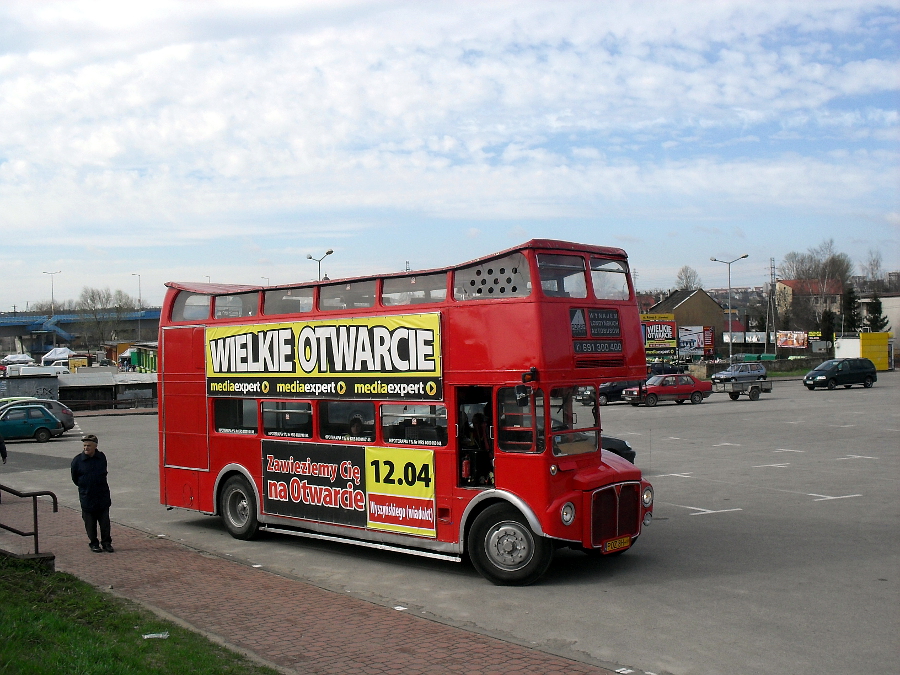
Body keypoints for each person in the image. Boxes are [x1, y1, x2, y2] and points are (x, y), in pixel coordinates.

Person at [70, 434, 114, 553]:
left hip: (102, 496)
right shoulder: (77, 460)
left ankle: (106, 543)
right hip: (87, 497)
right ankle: (94, 543)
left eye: (89, 445)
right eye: (84, 445)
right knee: (90, 523)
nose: (86, 448)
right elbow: (75, 478)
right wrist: (84, 486)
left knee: (105, 523)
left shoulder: (101, 457)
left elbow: (104, 472)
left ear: (95, 446)